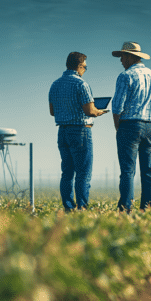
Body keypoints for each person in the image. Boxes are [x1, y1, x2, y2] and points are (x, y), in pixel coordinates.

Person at [48, 52, 108, 211]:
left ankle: (68, 207)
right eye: (85, 67)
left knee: (67, 172)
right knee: (83, 173)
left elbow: (52, 111)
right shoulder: (82, 84)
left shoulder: (55, 84)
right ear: (80, 66)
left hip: (62, 131)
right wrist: (99, 111)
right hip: (80, 131)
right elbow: (89, 111)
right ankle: (82, 208)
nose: (85, 70)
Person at [111, 41, 151, 213]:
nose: (121, 61)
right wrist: (147, 114)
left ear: (130, 57)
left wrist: (118, 127)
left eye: (122, 57)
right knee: (148, 170)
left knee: (127, 170)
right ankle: (148, 208)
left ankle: (125, 209)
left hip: (129, 125)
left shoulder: (125, 76)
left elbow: (117, 107)